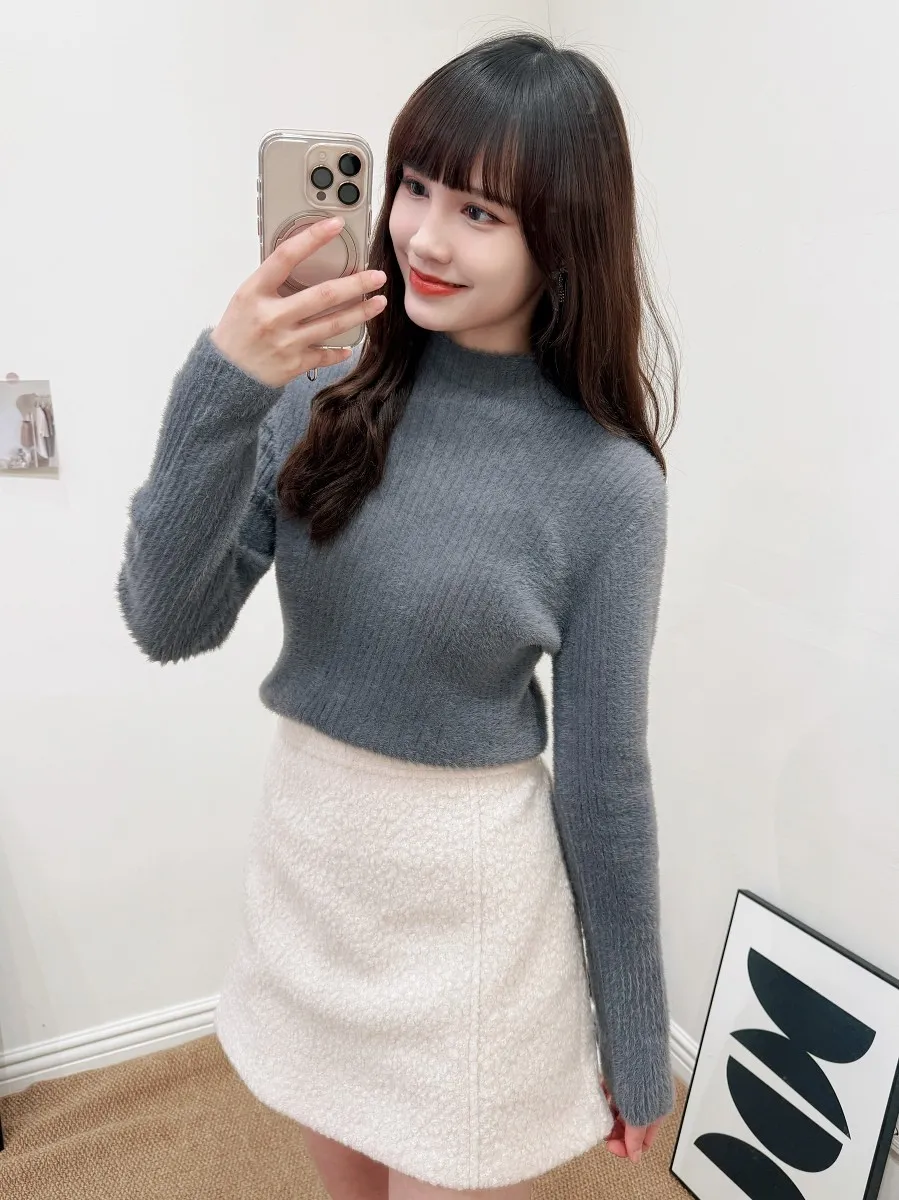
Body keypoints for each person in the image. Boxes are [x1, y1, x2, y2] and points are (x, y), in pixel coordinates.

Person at [116, 28, 680, 1200]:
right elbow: (167, 619)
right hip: (311, 877)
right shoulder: (321, 387)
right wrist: (226, 381)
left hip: (464, 923)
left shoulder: (607, 484)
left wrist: (634, 1033)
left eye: (478, 211)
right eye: (414, 185)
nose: (420, 234)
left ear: (562, 236)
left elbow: (603, 778)